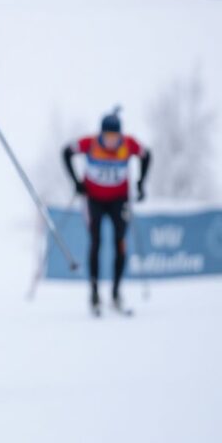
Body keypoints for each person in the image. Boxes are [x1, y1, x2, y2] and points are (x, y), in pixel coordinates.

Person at [62, 108, 151, 316]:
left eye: (115, 136)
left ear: (120, 135)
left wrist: (141, 183)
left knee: (120, 242)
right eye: (107, 136)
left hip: (119, 201)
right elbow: (66, 152)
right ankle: (94, 293)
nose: (111, 140)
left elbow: (147, 156)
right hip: (94, 200)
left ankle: (116, 293)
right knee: (96, 242)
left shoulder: (129, 144)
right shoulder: (90, 143)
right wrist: (76, 182)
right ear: (101, 133)